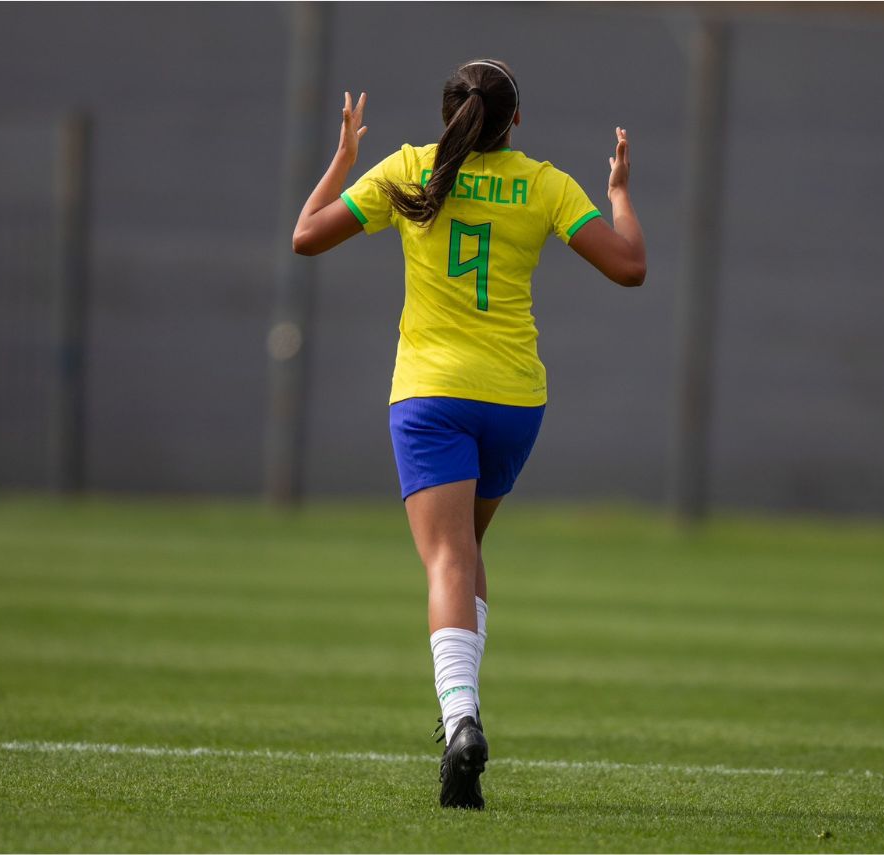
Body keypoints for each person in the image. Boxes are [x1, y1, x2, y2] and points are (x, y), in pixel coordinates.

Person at [292, 59, 646, 809]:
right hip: (514, 400)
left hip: (431, 395)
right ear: (514, 120)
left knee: (448, 558)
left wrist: (344, 159)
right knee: (468, 553)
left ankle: (459, 721)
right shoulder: (545, 183)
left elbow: (306, 237)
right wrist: (618, 193)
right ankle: (463, 716)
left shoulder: (409, 169)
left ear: (449, 113)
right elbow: (630, 266)